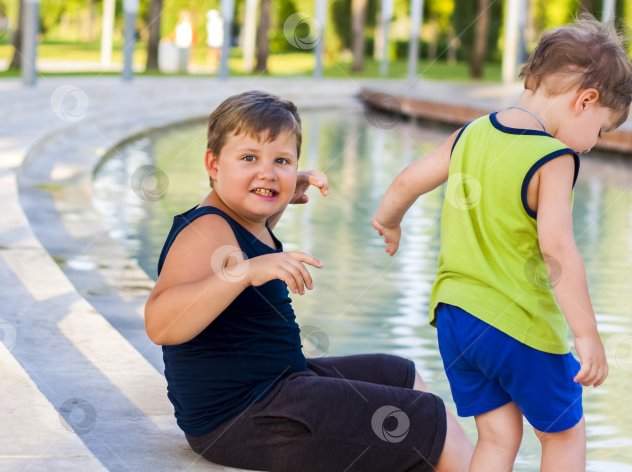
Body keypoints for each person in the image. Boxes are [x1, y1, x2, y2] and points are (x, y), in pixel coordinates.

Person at [145, 91, 473, 472]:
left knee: (400, 373)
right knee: (432, 419)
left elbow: (246, 241)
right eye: (249, 158)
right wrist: (247, 272)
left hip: (274, 386)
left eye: (281, 161)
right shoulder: (206, 229)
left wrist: (279, 192)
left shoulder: (238, 219)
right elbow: (159, 323)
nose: (267, 172)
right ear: (213, 164)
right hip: (246, 417)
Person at [372, 15, 632, 471]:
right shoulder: (553, 158)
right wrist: (586, 334)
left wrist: (388, 221)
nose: (593, 144)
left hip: (456, 320)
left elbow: (408, 181)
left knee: (497, 438)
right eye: (600, 130)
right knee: (564, 436)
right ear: (585, 100)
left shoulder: (471, 133)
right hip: (519, 326)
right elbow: (558, 252)